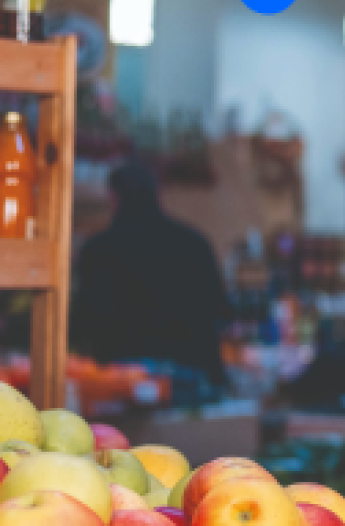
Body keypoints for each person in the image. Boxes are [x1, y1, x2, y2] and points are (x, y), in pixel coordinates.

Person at [71, 162, 231, 393]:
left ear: (113, 197)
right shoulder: (194, 243)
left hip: (127, 383)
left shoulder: (99, 250)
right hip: (194, 378)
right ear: (158, 195)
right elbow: (220, 309)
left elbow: (87, 319)